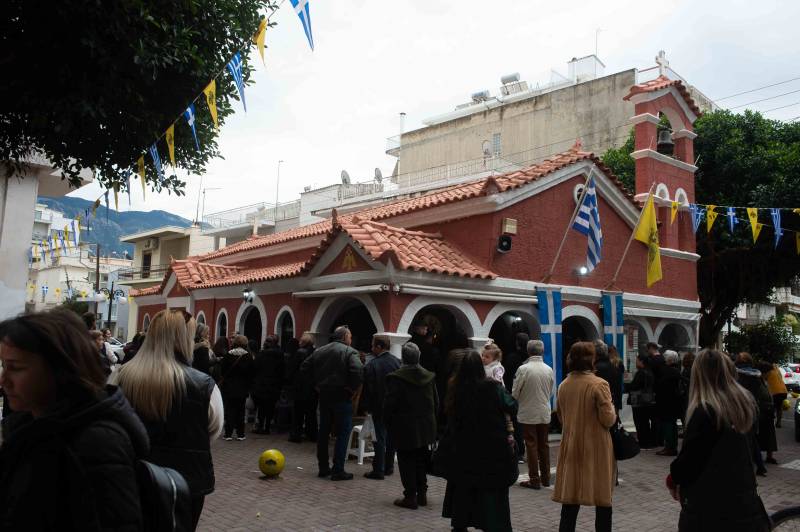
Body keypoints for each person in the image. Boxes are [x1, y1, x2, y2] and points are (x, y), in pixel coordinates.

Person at [0, 310, 148, 530]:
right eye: (4, 365)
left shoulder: (96, 443)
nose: (3, 380)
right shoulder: (31, 426)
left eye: (16, 368)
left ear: (59, 369)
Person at [112, 309, 223, 530]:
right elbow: (213, 429)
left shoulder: (120, 376)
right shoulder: (203, 384)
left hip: (132, 476)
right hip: (186, 481)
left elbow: (111, 424)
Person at [667, 349, 770, 532]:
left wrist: (672, 479)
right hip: (745, 503)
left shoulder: (706, 411)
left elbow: (690, 460)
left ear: (698, 376)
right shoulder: (744, 405)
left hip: (710, 509)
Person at [441, 350, 518, 532]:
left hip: (463, 449)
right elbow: (512, 405)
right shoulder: (493, 388)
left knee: (463, 490)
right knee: (490, 494)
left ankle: (460, 525)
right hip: (491, 450)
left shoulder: (455, 388)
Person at [553, 342, 616, 532]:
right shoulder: (599, 384)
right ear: (591, 359)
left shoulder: (564, 385)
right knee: (603, 500)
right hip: (597, 447)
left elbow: (561, 417)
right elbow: (608, 419)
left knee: (570, 502)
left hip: (571, 445)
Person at [301, 325, 363, 480]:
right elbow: (358, 371)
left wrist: (316, 384)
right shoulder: (350, 352)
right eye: (350, 336)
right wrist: (351, 389)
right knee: (343, 432)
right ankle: (338, 469)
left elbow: (304, 368)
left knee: (324, 431)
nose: (351, 339)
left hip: (325, 395)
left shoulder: (320, 351)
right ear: (344, 337)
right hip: (342, 396)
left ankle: (323, 467)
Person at [384, 342, 438, 509]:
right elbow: (436, 402)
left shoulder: (396, 378)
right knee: (421, 459)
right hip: (425, 426)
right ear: (418, 357)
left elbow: (390, 404)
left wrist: (388, 423)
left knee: (406, 461)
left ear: (403, 358)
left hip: (405, 426)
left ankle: (410, 496)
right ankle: (422, 494)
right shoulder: (429, 377)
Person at [512, 339, 554, 490]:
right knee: (544, 445)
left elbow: (515, 392)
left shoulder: (523, 369)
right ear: (542, 351)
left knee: (531, 444)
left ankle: (534, 479)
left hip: (528, 411)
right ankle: (546, 478)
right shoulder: (548, 369)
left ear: (528, 351)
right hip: (544, 410)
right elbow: (551, 392)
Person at [362, 336, 401, 480]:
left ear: (379, 347)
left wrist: (366, 407)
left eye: (373, 346)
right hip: (394, 406)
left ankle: (378, 469)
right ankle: (389, 467)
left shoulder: (373, 364)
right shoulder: (397, 362)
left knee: (379, 437)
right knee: (390, 437)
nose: (371, 348)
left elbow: (368, 388)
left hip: (378, 406)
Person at [735, 352, 773, 475]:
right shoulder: (756, 375)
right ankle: (760, 466)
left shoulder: (736, 375)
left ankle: (744, 467)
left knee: (740, 437)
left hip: (739, 409)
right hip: (752, 409)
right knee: (752, 437)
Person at [219, 335, 255, 441]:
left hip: (229, 387)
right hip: (242, 388)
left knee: (229, 410)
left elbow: (222, 371)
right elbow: (251, 373)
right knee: (240, 411)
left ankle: (228, 434)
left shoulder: (228, 355)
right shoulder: (248, 356)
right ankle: (240, 434)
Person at [286, 332, 317, 443]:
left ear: (303, 341)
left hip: (300, 387)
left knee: (298, 413)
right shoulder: (316, 352)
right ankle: (312, 434)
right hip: (312, 388)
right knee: (311, 413)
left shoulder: (299, 352)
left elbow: (292, 369)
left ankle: (296, 435)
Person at [252, 335, 284, 435]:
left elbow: (255, 368)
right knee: (270, 407)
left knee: (261, 407)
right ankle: (267, 427)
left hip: (261, 384)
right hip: (274, 385)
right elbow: (282, 371)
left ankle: (260, 426)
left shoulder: (261, 355)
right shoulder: (280, 355)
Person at [655, 350, 682, 456]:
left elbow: (662, 386)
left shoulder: (668, 371)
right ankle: (671, 446)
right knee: (672, 424)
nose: (664, 360)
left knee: (668, 425)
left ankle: (670, 447)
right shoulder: (676, 370)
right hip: (673, 402)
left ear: (669, 360)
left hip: (667, 403)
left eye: (665, 358)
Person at [627, 354, 657, 448]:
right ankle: (648, 441)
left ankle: (643, 442)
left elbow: (634, 386)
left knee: (640, 422)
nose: (636, 362)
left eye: (637, 361)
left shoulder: (640, 373)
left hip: (639, 401)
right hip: (649, 400)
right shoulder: (650, 372)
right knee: (645, 422)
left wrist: (628, 385)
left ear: (641, 361)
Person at [594, 341, 622, 413]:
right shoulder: (614, 366)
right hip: (611, 400)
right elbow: (618, 386)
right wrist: (618, 405)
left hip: (599, 404)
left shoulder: (594, 368)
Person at [763, 361, 788, 428]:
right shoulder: (777, 370)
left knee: (772, 407)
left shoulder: (768, 371)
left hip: (775, 391)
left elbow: (763, 379)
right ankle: (778, 422)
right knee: (779, 407)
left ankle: (771, 422)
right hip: (783, 390)